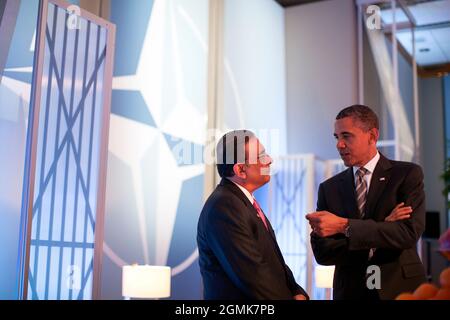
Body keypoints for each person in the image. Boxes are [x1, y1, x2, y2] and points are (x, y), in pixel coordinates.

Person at [306, 105, 426, 300]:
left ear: (372, 136)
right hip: (351, 291)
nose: (339, 145)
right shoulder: (329, 188)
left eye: (347, 136)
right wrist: (384, 227)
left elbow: (407, 234)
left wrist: (343, 226)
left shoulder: (406, 175)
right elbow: (323, 253)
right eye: (337, 137)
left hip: (400, 288)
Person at [197, 130, 309, 300]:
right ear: (241, 170)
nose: (269, 160)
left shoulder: (241, 201)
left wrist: (298, 292)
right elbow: (253, 274)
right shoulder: (224, 206)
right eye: (261, 156)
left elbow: (274, 263)